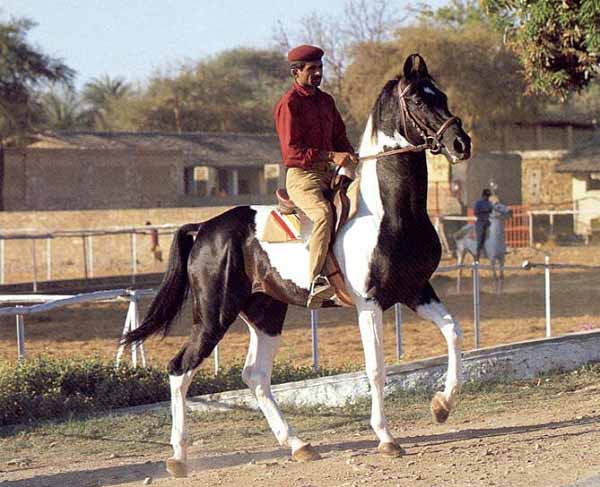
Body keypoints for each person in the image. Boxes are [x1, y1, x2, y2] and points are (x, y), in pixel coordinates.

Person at [274, 44, 358, 308]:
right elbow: (292, 153)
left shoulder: (326, 101)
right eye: (312, 69)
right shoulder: (289, 103)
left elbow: (340, 138)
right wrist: (332, 157)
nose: (318, 73)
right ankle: (315, 281)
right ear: (296, 72)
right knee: (323, 214)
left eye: (320, 68)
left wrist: (350, 156)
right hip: (302, 179)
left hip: (330, 175)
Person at [473, 188, 494, 261]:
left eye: (488, 196)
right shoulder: (478, 203)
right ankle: (478, 254)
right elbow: (475, 212)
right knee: (481, 236)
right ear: (483, 196)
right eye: (486, 196)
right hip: (481, 222)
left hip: (488, 221)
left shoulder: (490, 203)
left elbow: (492, 212)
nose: (487, 197)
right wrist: (483, 217)